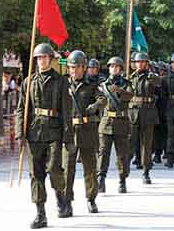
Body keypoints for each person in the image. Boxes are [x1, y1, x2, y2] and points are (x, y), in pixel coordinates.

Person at [15, 43, 71, 229]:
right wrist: (19, 133)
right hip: (34, 132)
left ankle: (61, 196)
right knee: (36, 174)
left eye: (44, 57)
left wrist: (68, 137)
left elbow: (66, 111)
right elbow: (21, 109)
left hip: (54, 130)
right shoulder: (28, 81)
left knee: (54, 168)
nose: (41, 60)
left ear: (51, 59)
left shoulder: (61, 81)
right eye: (38, 58)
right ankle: (41, 214)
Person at [62, 50, 102, 216]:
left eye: (77, 67)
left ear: (84, 68)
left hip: (87, 130)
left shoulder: (92, 84)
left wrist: (94, 107)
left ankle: (91, 198)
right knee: (67, 168)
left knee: (90, 167)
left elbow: (102, 98)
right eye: (71, 67)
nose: (74, 70)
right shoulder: (63, 85)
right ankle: (66, 202)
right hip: (69, 131)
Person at [96, 57, 134, 194]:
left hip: (122, 123)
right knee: (103, 153)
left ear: (121, 69)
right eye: (112, 66)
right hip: (106, 122)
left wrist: (117, 89)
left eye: (117, 67)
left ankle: (122, 180)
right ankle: (101, 179)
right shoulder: (103, 85)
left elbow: (129, 96)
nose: (114, 69)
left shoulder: (126, 84)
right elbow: (99, 100)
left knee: (122, 154)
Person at [128, 52, 161, 185]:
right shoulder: (130, 77)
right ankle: (124, 168)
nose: (139, 64)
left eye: (142, 62)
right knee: (129, 142)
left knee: (146, 144)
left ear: (147, 63)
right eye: (137, 62)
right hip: (134, 113)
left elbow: (159, 83)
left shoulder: (151, 77)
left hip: (148, 113)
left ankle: (146, 171)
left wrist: (153, 76)